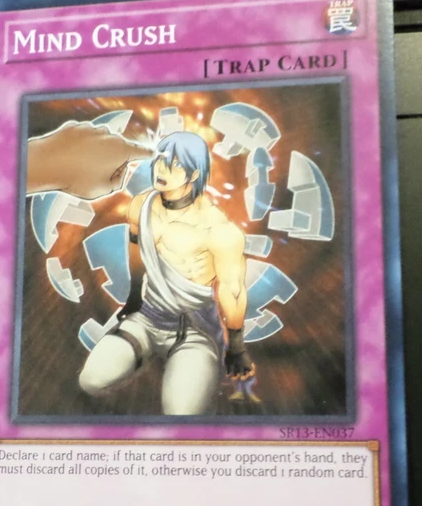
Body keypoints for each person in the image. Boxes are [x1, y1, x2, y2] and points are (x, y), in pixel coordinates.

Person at [26, 121, 254, 415]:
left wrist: (236, 348)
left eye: (174, 164)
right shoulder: (142, 204)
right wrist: (134, 297)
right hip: (146, 319)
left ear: (194, 174)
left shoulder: (219, 230)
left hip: (195, 331)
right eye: (160, 160)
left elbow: (233, 291)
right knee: (91, 380)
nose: (161, 169)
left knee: (182, 414)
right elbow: (136, 247)